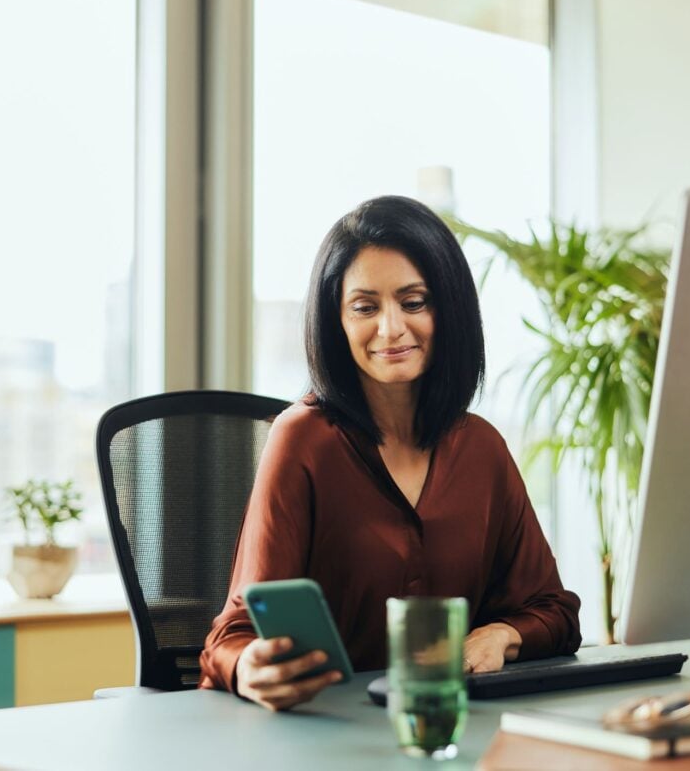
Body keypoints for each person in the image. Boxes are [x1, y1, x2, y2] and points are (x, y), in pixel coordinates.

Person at [199, 195, 581, 712]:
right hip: (319, 736)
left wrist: (504, 635)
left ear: (448, 309)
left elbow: (554, 610)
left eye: (414, 301)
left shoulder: (481, 448)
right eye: (365, 307)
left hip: (445, 730)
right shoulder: (303, 439)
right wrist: (251, 668)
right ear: (336, 321)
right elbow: (233, 635)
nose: (391, 328)